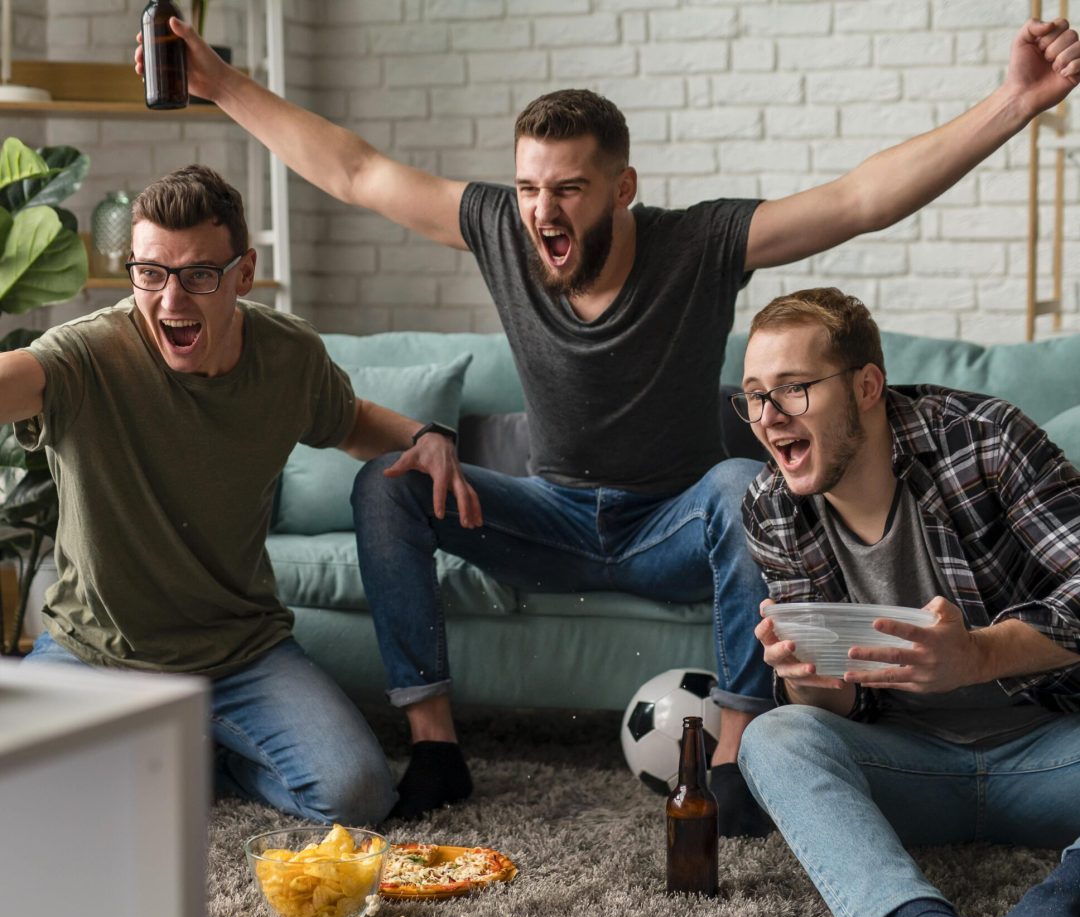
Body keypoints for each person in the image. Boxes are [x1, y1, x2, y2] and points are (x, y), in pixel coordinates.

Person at [136, 17, 1080, 832]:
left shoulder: (698, 244)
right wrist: (220, 84)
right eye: (529, 188)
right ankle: (435, 749)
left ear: (622, 188)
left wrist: (1015, 102)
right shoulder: (503, 229)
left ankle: (731, 762)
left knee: (737, 486)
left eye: (568, 189)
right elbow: (354, 169)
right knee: (386, 488)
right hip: (549, 517)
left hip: (670, 523)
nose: (541, 210)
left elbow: (859, 199)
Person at [17, 165, 481, 828]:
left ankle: (197, 754)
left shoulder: (287, 355)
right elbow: (18, 377)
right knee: (31, 796)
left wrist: (423, 436)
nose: (170, 299)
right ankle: (173, 751)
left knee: (356, 797)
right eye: (150, 273)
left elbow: (348, 420)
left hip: (238, 653)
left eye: (199, 274)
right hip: (97, 650)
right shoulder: (86, 355)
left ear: (244, 273)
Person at [734, 287, 1080, 917]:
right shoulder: (770, 504)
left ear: (867, 386)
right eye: (753, 395)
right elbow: (844, 707)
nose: (768, 416)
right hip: (907, 767)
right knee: (774, 738)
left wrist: (978, 655)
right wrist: (807, 679)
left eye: (793, 388)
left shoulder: (985, 440)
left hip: (1053, 751)